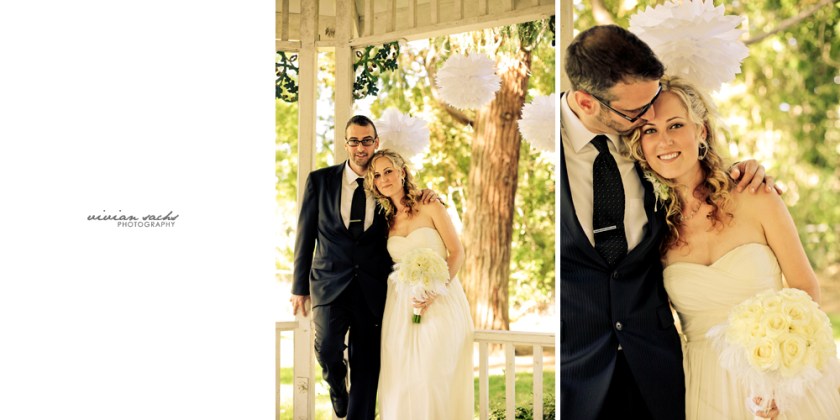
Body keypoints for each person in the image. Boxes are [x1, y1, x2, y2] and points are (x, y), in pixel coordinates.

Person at [560, 25, 772, 420]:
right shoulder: (545, 140)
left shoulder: (657, 154)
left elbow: (694, 168)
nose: (649, 117)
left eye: (655, 101)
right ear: (587, 103)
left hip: (662, 379)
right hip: (574, 380)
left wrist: (746, 171)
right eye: (638, 116)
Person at [623, 75, 840, 420]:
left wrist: (782, 381)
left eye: (676, 125)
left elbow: (805, 287)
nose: (664, 140)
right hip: (705, 387)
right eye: (650, 130)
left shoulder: (755, 194)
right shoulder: (651, 227)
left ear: (701, 131)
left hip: (783, 383)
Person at [290, 116, 437, 419]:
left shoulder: (384, 184)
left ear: (376, 142)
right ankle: (336, 386)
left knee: (367, 365)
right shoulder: (319, 181)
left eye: (367, 140)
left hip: (373, 287)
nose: (361, 147)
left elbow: (409, 204)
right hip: (330, 283)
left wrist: (428, 195)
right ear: (346, 144)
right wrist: (299, 287)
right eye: (354, 141)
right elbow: (305, 235)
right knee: (327, 348)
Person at [365, 149, 474, 420]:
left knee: (431, 378)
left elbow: (457, 252)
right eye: (377, 175)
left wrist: (434, 291)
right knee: (401, 381)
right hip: (400, 308)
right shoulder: (384, 221)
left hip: (440, 300)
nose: (383, 179)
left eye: (388, 171)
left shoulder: (430, 205)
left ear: (402, 172)